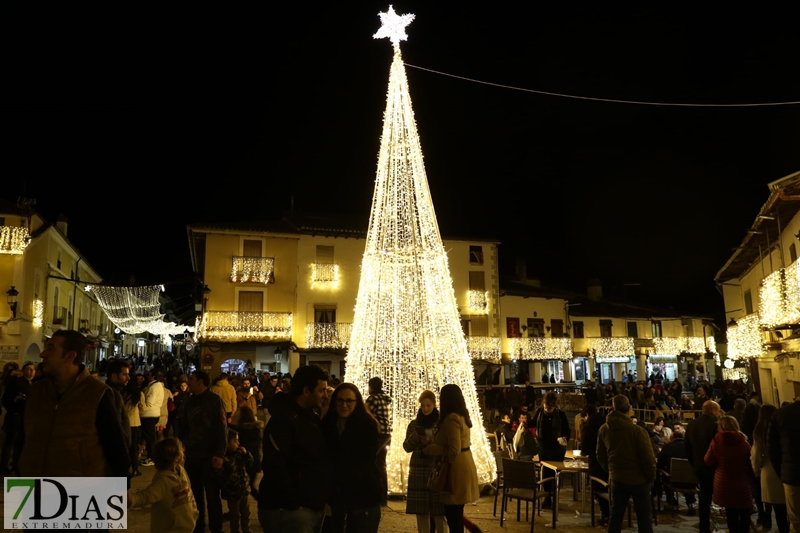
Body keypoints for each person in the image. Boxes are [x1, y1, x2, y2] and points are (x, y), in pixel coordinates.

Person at [18, 330, 130, 478]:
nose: (42, 354)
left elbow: (115, 447)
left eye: (51, 348)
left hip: (78, 489)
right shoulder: (37, 391)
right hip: (31, 484)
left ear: (70, 356)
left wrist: (120, 487)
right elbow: (23, 438)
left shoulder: (98, 393)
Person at [259, 364, 330, 533]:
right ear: (307, 391)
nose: (325, 396)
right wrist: (294, 503)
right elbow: (275, 465)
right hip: (289, 511)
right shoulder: (284, 420)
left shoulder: (310, 416)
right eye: (321, 390)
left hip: (307, 506)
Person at [321, 383, 383, 533]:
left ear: (357, 402)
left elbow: (365, 461)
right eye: (340, 400)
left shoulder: (366, 425)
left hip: (363, 495)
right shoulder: (327, 424)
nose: (344, 405)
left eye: (349, 401)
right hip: (335, 496)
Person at [176, 370, 228, 533]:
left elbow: (222, 428)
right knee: (195, 496)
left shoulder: (214, 401)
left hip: (209, 456)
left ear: (200, 382)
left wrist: (220, 453)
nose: (188, 381)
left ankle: (215, 529)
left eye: (191, 379)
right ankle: (198, 527)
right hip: (192, 456)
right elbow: (184, 427)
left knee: (213, 497)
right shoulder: (190, 401)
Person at [423, 384, 479, 533]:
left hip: (455, 469)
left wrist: (433, 448)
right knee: (455, 513)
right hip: (464, 464)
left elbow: (454, 449)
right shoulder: (462, 416)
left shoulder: (452, 418)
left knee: (453, 514)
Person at [597, 394, 656, 533]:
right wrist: (650, 477)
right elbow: (648, 458)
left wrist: (611, 469)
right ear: (629, 409)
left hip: (617, 477)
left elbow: (600, 455)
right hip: (639, 480)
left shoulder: (604, 429)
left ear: (612, 408)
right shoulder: (637, 431)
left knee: (616, 516)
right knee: (644, 518)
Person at [129, 437, 199, 533]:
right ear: (176, 456)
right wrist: (130, 499)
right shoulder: (163, 481)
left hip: (186, 528)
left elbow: (189, 493)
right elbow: (145, 496)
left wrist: (194, 512)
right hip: (170, 529)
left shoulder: (181, 470)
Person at [403, 390, 446, 533]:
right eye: (423, 406)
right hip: (418, 469)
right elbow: (407, 447)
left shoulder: (441, 423)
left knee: (440, 511)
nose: (425, 409)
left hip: (436, 469)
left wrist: (430, 441)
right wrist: (414, 438)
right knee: (421, 511)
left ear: (434, 405)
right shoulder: (414, 424)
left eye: (428, 405)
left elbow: (444, 446)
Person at [704, 416, 754, 533]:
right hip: (741, 481)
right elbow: (750, 464)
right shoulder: (744, 443)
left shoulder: (716, 442)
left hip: (723, 481)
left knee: (731, 513)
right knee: (745, 512)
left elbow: (708, 461)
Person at [752, 404, 789, 533]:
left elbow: (756, 455)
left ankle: (782, 528)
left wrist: (756, 470)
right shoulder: (782, 426)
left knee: (778, 508)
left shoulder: (759, 431)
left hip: (769, 470)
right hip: (785, 467)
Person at [531, 391, 571, 509]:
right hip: (544, 448)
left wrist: (564, 439)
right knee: (545, 473)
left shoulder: (561, 415)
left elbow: (567, 430)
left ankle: (553, 496)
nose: (547, 410)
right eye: (546, 408)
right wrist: (525, 423)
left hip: (557, 450)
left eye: (550, 408)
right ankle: (547, 497)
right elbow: (533, 423)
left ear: (554, 406)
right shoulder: (539, 412)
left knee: (554, 474)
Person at [685, 400, 721, 533]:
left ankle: (704, 525)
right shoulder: (715, 425)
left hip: (699, 466)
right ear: (713, 411)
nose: (719, 414)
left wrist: (694, 463)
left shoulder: (692, 424)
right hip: (714, 466)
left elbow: (687, 447)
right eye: (718, 411)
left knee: (704, 497)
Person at [768, 398, 800, 532]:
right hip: (790, 471)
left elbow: (772, 448)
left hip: (792, 473)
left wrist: (781, 472)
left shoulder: (781, 414)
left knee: (796, 518)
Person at [0, 361, 35, 475]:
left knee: (21, 442)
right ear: (24, 370)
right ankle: (4, 465)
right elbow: (7, 399)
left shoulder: (35, 384)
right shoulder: (17, 382)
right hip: (16, 416)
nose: (31, 372)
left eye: (33, 369)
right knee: (10, 441)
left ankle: (16, 464)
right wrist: (14, 404)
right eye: (29, 369)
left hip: (27, 417)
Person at [579, 404, 609, 526]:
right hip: (611, 461)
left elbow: (585, 448)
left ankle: (606, 515)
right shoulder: (607, 422)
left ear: (587, 415)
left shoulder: (588, 426)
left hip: (597, 462)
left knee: (599, 489)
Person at [220, 429, 254, 533]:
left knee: (246, 513)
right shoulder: (224, 458)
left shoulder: (240, 454)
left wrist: (247, 454)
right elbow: (221, 475)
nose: (238, 443)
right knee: (234, 516)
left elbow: (250, 463)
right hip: (233, 492)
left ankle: (246, 530)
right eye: (235, 441)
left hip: (244, 489)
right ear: (227, 443)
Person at [365, 376, 392, 506]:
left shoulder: (372, 399)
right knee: (381, 464)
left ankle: (376, 495)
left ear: (371, 387)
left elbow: (365, 413)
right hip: (387, 434)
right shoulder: (385, 399)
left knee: (373, 462)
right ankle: (383, 496)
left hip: (377, 434)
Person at [657, 429, 695, 514]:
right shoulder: (691, 448)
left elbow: (660, 463)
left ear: (672, 438)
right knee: (687, 475)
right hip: (691, 481)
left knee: (665, 476)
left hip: (673, 481)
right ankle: (690, 503)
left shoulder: (668, 447)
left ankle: (672, 503)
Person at [231, 406, 263, 497]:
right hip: (256, 460)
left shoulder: (241, 430)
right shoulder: (258, 429)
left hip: (245, 460)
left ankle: (261, 502)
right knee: (250, 485)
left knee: (245, 486)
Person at [140, 371, 165, 466]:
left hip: (149, 414)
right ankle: (152, 456)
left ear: (153, 377)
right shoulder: (157, 386)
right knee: (150, 436)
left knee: (150, 437)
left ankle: (152, 457)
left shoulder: (154, 387)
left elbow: (150, 401)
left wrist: (143, 405)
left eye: (149, 375)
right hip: (154, 413)